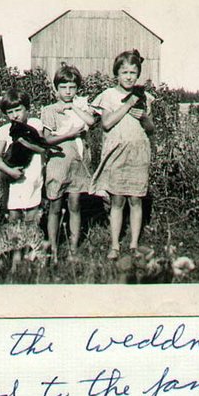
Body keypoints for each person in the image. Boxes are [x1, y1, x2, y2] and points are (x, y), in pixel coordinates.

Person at [91, 49, 155, 259]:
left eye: (133, 73)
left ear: (138, 75)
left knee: (136, 200)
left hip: (138, 152)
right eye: (124, 72)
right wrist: (127, 105)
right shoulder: (109, 96)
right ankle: (115, 245)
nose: (129, 76)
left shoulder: (144, 96)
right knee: (117, 201)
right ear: (117, 74)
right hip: (117, 153)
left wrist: (144, 117)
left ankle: (134, 244)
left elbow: (150, 128)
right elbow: (107, 123)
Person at [41, 64, 96, 261]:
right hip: (58, 161)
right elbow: (46, 139)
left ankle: (73, 249)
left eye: (72, 87)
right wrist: (69, 134)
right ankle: (53, 249)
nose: (68, 91)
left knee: (75, 203)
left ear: (77, 89)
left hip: (78, 162)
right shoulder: (49, 110)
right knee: (55, 206)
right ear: (56, 89)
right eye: (63, 87)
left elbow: (90, 122)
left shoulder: (80, 107)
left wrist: (74, 106)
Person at [0, 88, 44, 224]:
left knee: (32, 217)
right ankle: (15, 244)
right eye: (10, 112)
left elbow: (42, 148)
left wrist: (23, 142)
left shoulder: (35, 124)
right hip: (15, 177)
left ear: (27, 109)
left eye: (18, 110)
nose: (15, 115)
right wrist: (10, 171)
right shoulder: (4, 131)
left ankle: (30, 244)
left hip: (33, 176)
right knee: (14, 215)